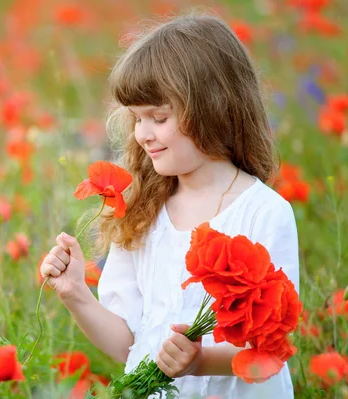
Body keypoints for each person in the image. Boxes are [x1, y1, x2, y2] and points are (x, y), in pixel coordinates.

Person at [39, 12, 299, 399]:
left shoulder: (263, 212)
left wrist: (200, 361)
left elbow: (271, 349)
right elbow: (127, 343)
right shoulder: (143, 210)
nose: (143, 134)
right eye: (137, 118)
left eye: (158, 117)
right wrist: (76, 293)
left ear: (214, 108)